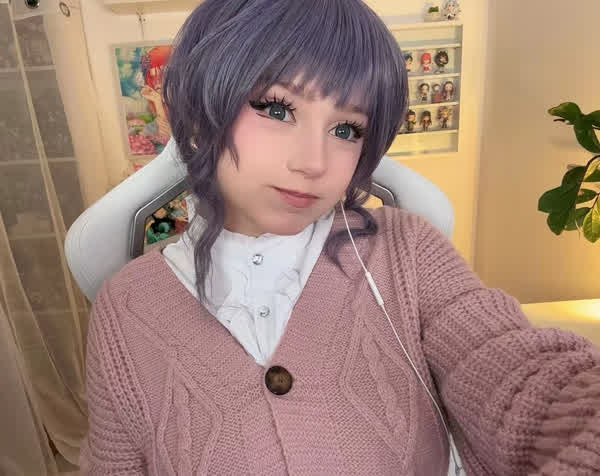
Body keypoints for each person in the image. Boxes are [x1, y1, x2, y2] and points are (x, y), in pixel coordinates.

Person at [79, 1, 600, 475]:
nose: (315, 162)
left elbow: (510, 367)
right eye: (277, 109)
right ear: (201, 106)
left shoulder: (408, 251)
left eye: (347, 129)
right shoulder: (126, 307)